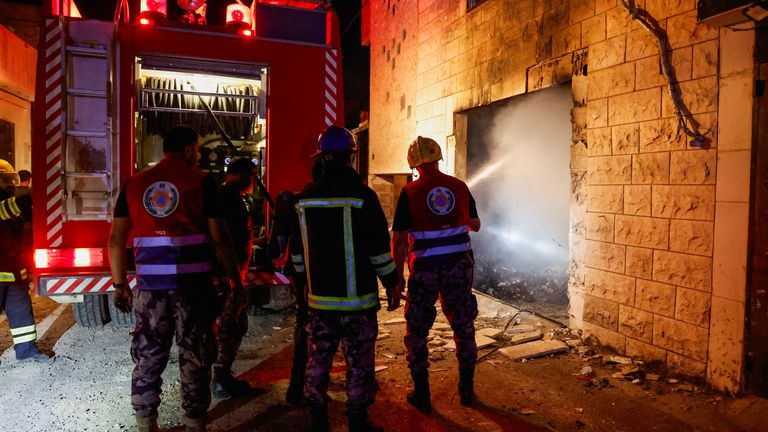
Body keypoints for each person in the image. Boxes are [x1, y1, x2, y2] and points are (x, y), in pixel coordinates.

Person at [108, 126, 243, 432]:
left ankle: (146, 424)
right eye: (196, 149)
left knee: (148, 356)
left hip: (150, 291)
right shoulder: (202, 182)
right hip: (193, 291)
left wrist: (119, 286)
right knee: (195, 354)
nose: (198, 155)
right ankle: (194, 422)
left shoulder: (134, 184)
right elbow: (220, 239)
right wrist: (235, 278)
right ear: (187, 150)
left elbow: (116, 240)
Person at [289, 125, 399, 432]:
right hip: (358, 305)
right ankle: (357, 420)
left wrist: (302, 285)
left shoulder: (303, 200)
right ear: (352, 158)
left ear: (321, 158)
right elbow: (379, 251)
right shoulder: (363, 197)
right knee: (359, 364)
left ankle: (318, 418)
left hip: (320, 303)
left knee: (318, 361)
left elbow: (296, 253)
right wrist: (392, 283)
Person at [390, 136, 482, 413]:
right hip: (458, 267)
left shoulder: (409, 192)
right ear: (438, 158)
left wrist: (397, 278)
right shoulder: (460, 187)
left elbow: (398, 240)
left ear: (414, 163)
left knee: (417, 329)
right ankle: (467, 391)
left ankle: (422, 394)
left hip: (426, 270)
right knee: (463, 325)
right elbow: (475, 225)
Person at [211, 157, 256, 399]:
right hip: (226, 277)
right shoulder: (231, 201)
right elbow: (224, 242)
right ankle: (220, 379)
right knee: (231, 327)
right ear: (242, 175)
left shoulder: (222, 196)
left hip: (222, 275)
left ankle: (219, 377)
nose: (254, 181)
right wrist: (235, 281)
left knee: (227, 326)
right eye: (252, 175)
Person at [0, 160, 49, 363]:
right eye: (3, 180)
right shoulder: (8, 206)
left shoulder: (12, 206)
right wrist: (31, 194)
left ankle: (27, 350)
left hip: (13, 274)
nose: (9, 185)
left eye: (8, 180)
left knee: (21, 313)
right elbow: (8, 208)